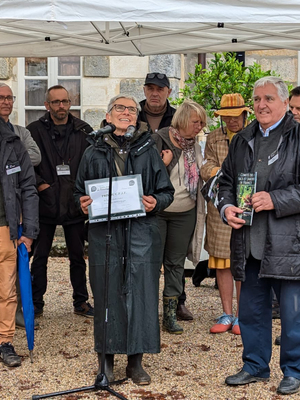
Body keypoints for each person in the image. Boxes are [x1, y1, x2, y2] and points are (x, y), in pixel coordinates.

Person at [74, 94, 174, 385]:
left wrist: (155, 202)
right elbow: (77, 192)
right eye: (120, 108)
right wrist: (80, 203)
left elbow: (166, 191)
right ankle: (105, 362)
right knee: (106, 294)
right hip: (104, 234)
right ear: (108, 116)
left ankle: (136, 362)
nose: (127, 113)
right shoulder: (92, 151)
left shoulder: (148, 148)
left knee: (141, 295)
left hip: (141, 233)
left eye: (132, 109)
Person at [218, 76, 300, 395]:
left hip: (288, 244)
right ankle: (254, 366)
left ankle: (293, 370)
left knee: (293, 314)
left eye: (268, 98)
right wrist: (226, 207)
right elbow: (225, 182)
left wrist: (275, 199)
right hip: (249, 242)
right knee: (251, 310)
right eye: (256, 99)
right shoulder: (243, 139)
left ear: (283, 103)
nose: (261, 105)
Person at [27, 85, 94, 318]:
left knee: (78, 256)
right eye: (56, 102)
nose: (61, 106)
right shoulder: (33, 130)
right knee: (40, 257)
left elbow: (94, 164)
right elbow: (24, 165)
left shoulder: (84, 130)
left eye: (65, 101)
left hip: (74, 203)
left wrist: (84, 190)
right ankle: (36, 303)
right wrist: (40, 184)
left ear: (70, 103)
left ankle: (81, 302)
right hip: (44, 204)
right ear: (47, 105)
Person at [140, 72, 193, 321]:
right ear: (144, 90)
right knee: (149, 259)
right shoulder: (133, 115)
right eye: (150, 88)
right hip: (148, 200)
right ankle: (147, 306)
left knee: (175, 259)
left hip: (179, 203)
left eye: (160, 89)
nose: (155, 93)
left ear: (168, 92)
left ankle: (176, 303)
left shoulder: (178, 117)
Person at [152, 99, 206, 334]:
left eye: (202, 122)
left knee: (175, 264)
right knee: (152, 263)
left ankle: (170, 314)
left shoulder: (194, 144)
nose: (200, 126)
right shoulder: (160, 139)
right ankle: (146, 312)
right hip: (159, 212)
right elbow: (147, 177)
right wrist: (163, 165)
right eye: (196, 121)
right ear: (183, 120)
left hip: (185, 212)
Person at [201, 93, 251, 335]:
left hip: (245, 204)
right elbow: (206, 165)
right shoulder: (214, 137)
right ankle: (226, 313)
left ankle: (243, 315)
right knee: (222, 261)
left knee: (241, 261)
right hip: (220, 205)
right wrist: (218, 171)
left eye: (236, 116)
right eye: (226, 117)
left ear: (245, 114)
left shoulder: (254, 136)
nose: (232, 122)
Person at [0, 82, 41, 330]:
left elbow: (28, 187)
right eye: (1, 97)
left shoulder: (16, 141)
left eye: (9, 97)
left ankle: (5, 341)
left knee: (7, 288)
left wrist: (29, 231)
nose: (6, 101)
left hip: (7, 226)